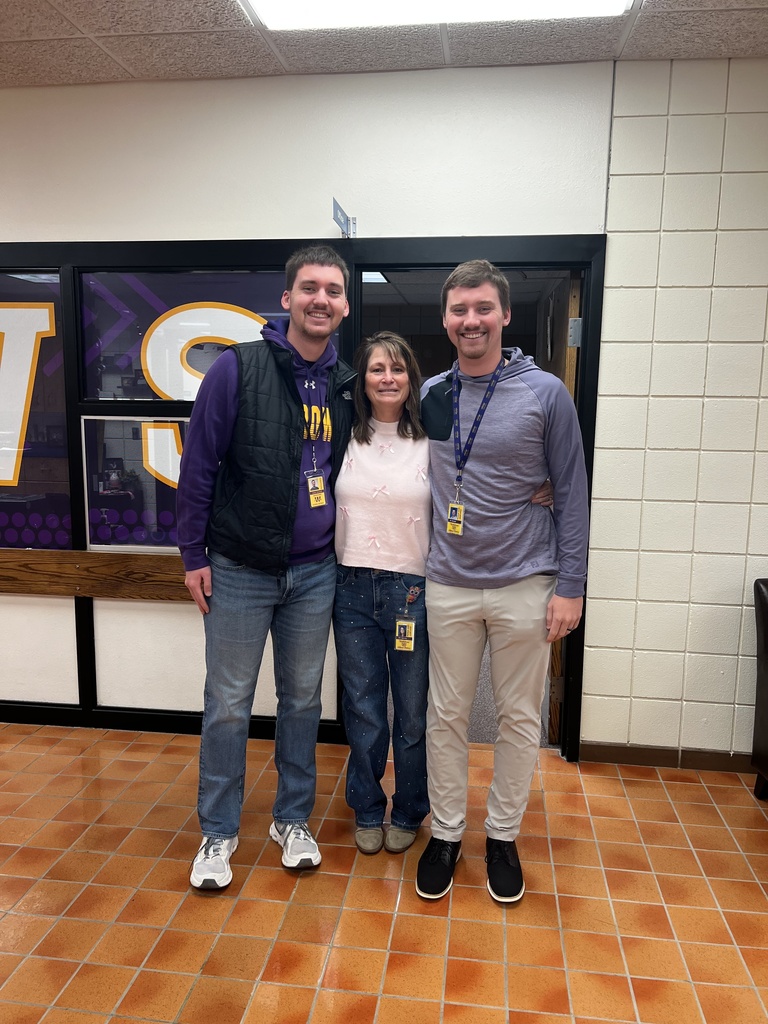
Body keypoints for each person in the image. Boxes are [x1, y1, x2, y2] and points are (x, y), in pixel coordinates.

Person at [177, 245, 355, 889]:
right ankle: (218, 833)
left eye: (333, 291)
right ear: (287, 299)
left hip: (314, 573)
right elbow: (199, 466)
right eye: (310, 288)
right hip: (240, 568)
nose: (321, 300)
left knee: (302, 701)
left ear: (343, 305)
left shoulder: (346, 383)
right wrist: (192, 553)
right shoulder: (237, 368)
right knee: (227, 703)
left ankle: (291, 820)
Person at [415, 259, 589, 904]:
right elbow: (421, 474)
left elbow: (571, 490)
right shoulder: (432, 392)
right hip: (450, 581)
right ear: (446, 319)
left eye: (483, 308)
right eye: (459, 310)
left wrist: (571, 584)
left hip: (526, 581)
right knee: (446, 716)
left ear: (504, 315)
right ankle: (448, 832)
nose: (471, 320)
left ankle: (503, 836)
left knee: (519, 719)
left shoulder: (546, 393)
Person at [332, 332, 431, 855]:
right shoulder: (342, 436)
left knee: (412, 712)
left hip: (411, 591)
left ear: (411, 377)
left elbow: (477, 482)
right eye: (376, 369)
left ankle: (411, 809)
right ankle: (368, 808)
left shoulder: (431, 438)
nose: (387, 378)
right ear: (362, 380)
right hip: (350, 588)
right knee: (365, 710)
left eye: (397, 368)